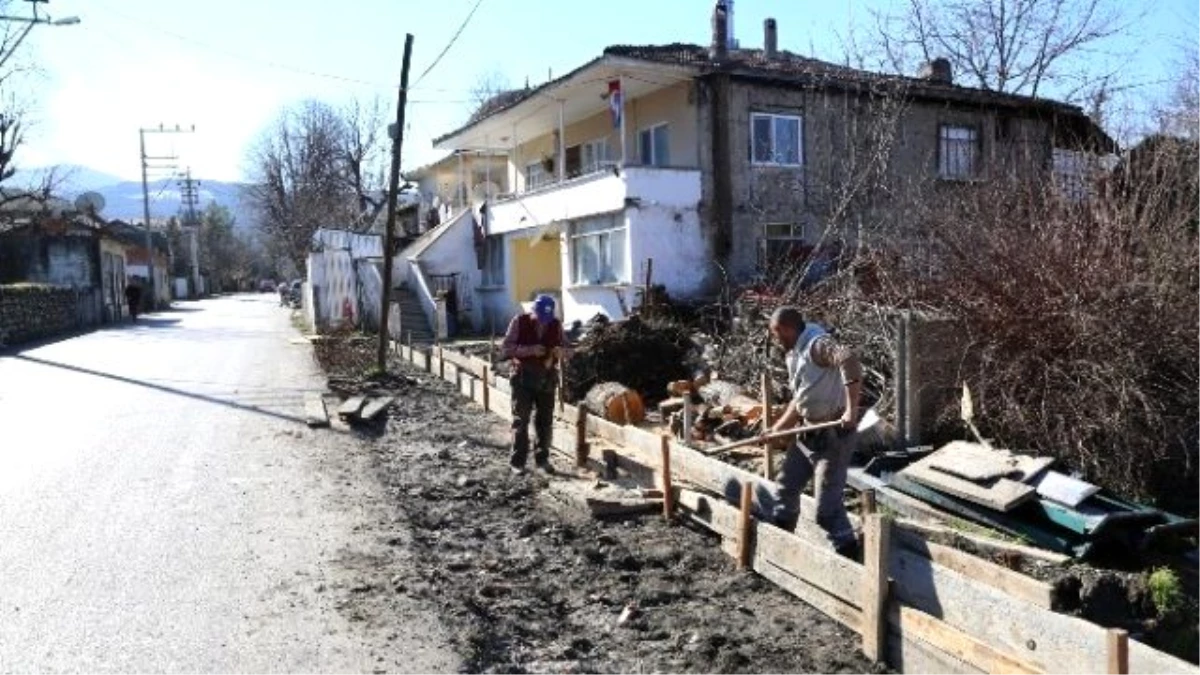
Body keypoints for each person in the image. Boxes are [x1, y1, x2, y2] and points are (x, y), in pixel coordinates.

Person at [760, 306, 863, 558]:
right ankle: (781, 553)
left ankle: (850, 560)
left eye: (777, 334)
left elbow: (848, 360)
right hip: (807, 433)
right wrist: (776, 429)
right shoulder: (795, 353)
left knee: (826, 512)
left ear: (787, 329)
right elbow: (801, 399)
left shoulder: (818, 345)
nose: (776, 340)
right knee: (785, 490)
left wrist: (851, 410)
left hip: (832, 437)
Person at [501, 294, 564, 475]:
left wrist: (562, 352)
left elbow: (570, 349)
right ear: (533, 311)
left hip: (547, 378)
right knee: (521, 421)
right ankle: (517, 462)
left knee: (545, 422)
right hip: (523, 378)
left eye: (547, 319)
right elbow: (506, 348)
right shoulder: (519, 322)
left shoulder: (556, 325)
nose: (544, 322)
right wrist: (530, 350)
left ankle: (542, 460)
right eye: (540, 318)